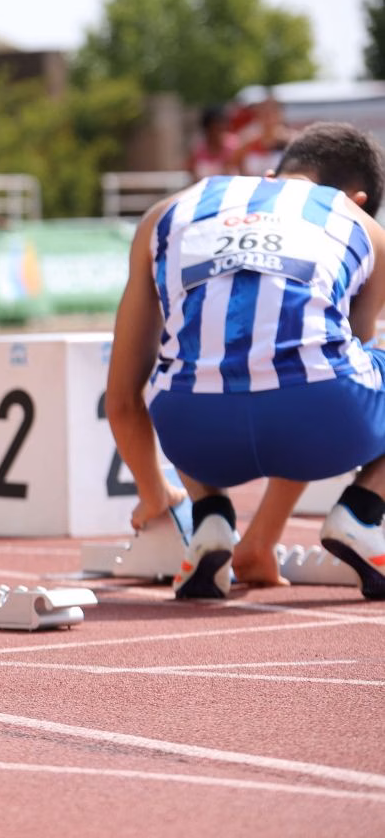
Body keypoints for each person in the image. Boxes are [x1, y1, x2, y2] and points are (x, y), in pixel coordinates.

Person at [105, 122, 385, 600]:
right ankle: (361, 512)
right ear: (357, 200)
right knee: (314, 357)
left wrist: (155, 492)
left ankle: (210, 518)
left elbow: (122, 397)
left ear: (272, 174)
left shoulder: (164, 213)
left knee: (190, 357)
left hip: (193, 434)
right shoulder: (364, 227)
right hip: (320, 417)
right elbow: (332, 363)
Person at [188, 104, 239, 181]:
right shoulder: (198, 149)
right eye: (215, 127)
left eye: (222, 126)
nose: (219, 130)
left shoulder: (234, 146)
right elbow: (192, 173)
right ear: (207, 128)